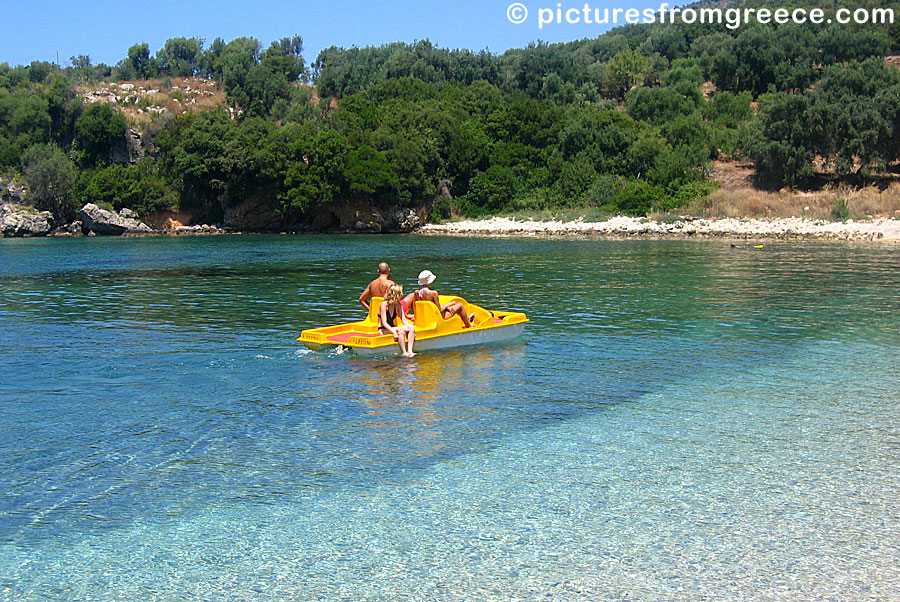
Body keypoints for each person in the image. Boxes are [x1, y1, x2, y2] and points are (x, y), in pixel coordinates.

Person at [403, 269, 473, 328]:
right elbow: (438, 310)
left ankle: (467, 318)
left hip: (425, 318)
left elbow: (415, 308)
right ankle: (468, 325)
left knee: (452, 304)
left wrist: (416, 316)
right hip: (436, 318)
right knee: (460, 306)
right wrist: (448, 305)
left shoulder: (417, 293)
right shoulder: (433, 293)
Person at [379, 284, 416, 357]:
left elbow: (403, 319)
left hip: (393, 327)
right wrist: (393, 332)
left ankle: (409, 351)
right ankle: (404, 352)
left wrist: (408, 326)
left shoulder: (398, 304)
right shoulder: (384, 304)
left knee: (410, 328)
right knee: (401, 331)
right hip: (383, 329)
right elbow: (384, 322)